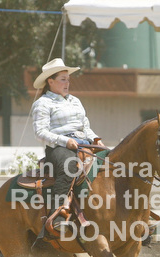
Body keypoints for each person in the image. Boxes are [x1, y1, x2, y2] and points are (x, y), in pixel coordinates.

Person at [31, 58, 104, 230]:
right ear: (50, 81)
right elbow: (40, 132)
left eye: (68, 79)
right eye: (63, 79)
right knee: (69, 166)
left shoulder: (75, 101)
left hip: (84, 143)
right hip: (59, 148)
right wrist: (65, 141)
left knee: (111, 161)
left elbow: (85, 127)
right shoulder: (42, 103)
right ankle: (56, 215)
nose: (67, 83)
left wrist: (96, 140)